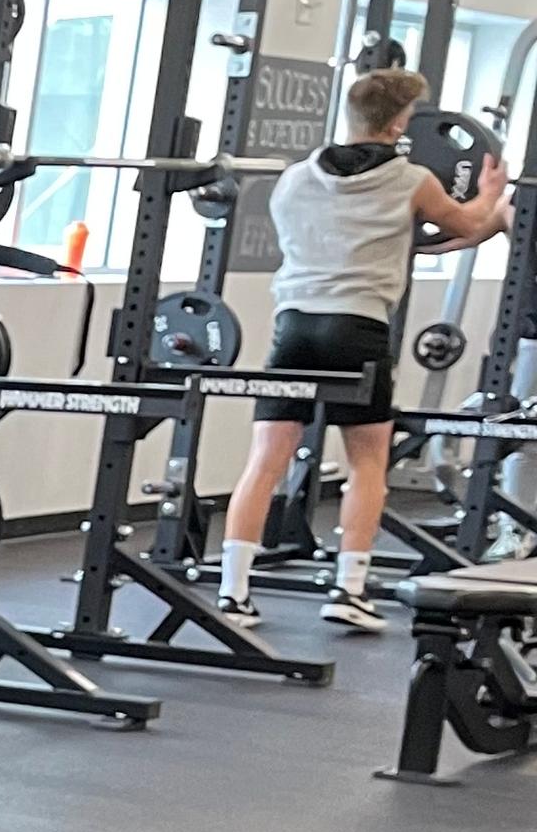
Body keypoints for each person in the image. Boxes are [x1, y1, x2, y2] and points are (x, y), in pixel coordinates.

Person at [216, 64, 510, 633]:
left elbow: (369, 237)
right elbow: (465, 222)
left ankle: (233, 592)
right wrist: (492, 197)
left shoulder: (296, 178)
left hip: (294, 327)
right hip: (358, 330)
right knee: (369, 462)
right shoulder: (412, 180)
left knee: (265, 461)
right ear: (402, 121)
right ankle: (349, 590)